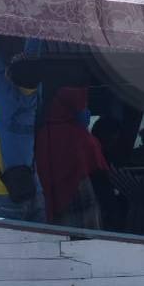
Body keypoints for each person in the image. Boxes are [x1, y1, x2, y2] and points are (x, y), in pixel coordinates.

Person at [0, 31, 45, 222]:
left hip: (3, 193)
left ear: (9, 73)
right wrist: (37, 28)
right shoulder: (33, 96)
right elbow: (31, 61)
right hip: (33, 191)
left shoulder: (2, 96)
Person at [35, 84, 109, 229]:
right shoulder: (81, 137)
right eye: (83, 104)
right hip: (81, 208)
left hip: (50, 209)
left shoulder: (41, 134)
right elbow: (100, 178)